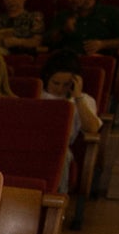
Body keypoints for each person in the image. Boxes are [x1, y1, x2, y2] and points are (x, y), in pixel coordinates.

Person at [40, 51, 103, 193]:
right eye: (56, 83)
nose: (60, 88)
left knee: (62, 155)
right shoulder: (36, 94)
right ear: (47, 78)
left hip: (60, 145)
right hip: (34, 142)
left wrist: (77, 97)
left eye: (67, 84)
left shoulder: (84, 100)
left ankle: (56, 200)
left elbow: (93, 128)